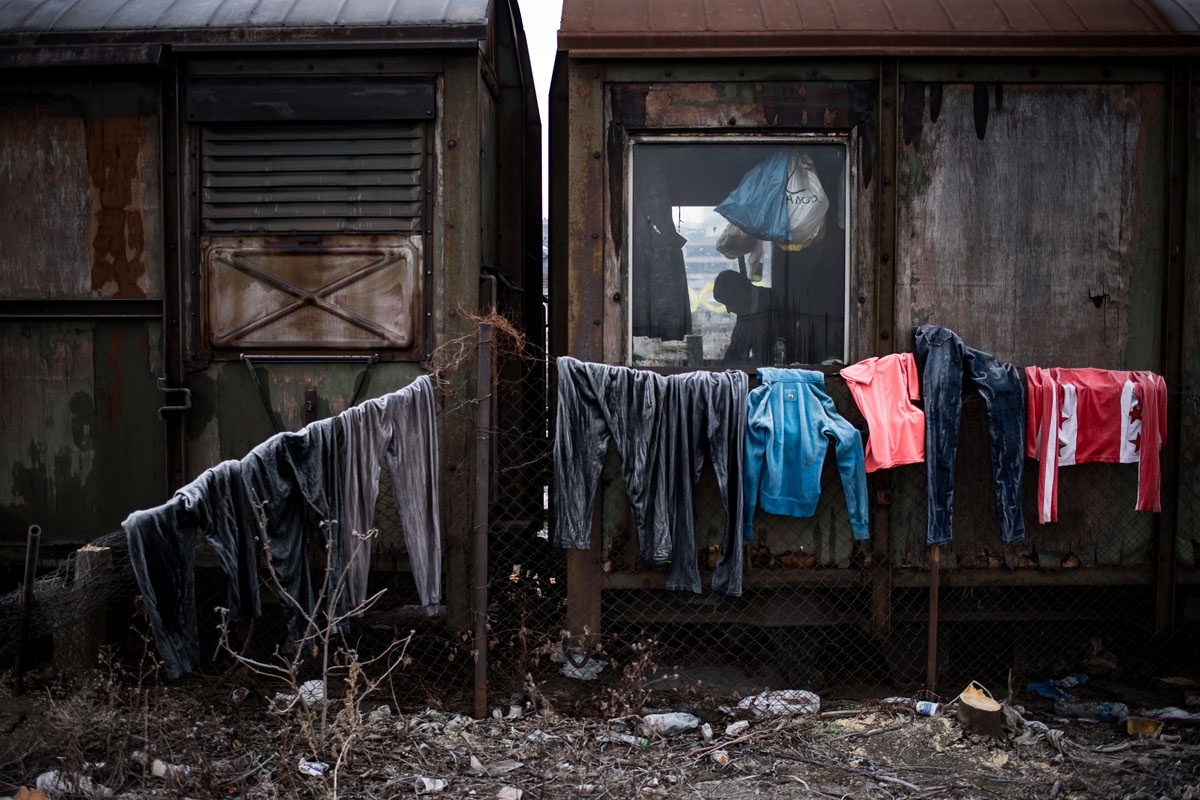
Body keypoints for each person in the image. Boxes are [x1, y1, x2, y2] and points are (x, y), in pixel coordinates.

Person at [711, 270, 786, 365]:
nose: (728, 310)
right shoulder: (744, 314)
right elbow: (735, 353)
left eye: (729, 303)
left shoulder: (774, 302)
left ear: (742, 293)